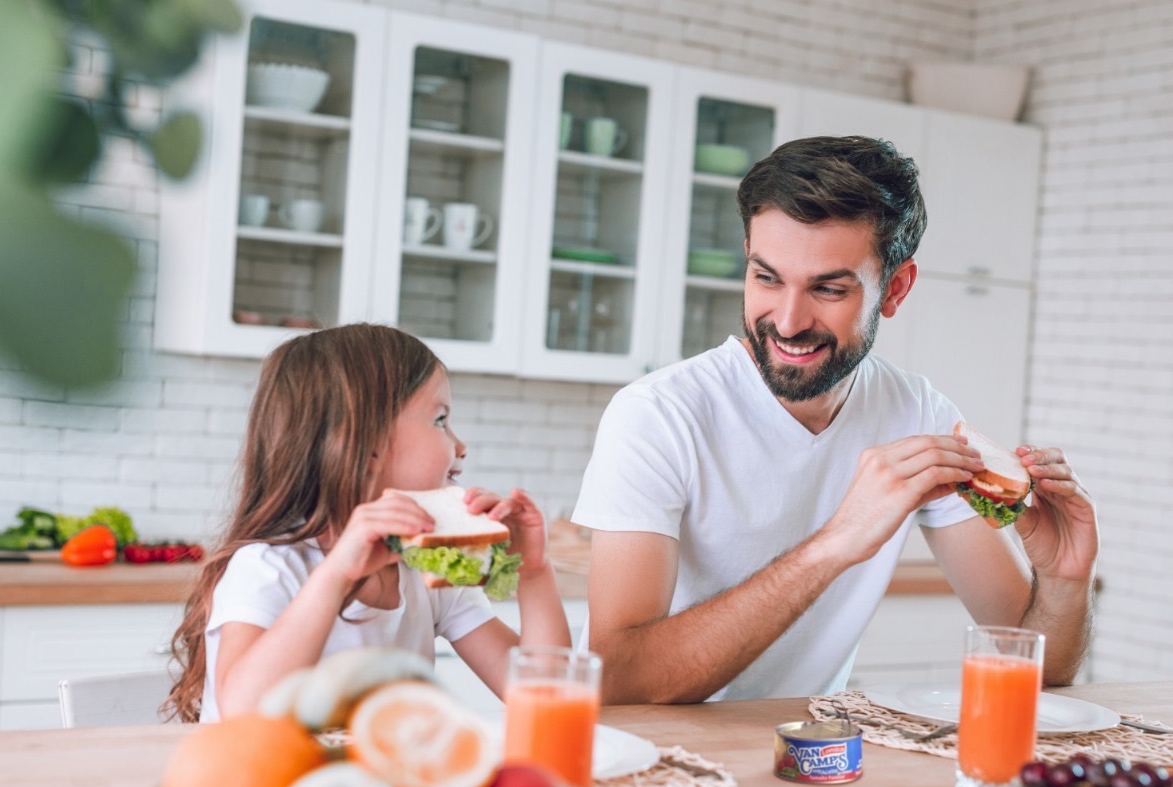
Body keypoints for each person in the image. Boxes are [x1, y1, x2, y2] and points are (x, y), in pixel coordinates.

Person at [572, 135, 1098, 705]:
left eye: (828, 288)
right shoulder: (659, 415)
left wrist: (1065, 579)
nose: (789, 321)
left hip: (806, 755)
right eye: (766, 278)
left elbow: (1038, 673)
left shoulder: (919, 415)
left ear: (894, 289)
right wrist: (837, 542)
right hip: (651, 769)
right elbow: (619, 681)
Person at [165, 324, 570, 722]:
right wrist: (337, 574)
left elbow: (547, 697)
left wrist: (534, 573)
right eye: (440, 420)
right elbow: (246, 715)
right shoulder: (269, 567)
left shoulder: (426, 569)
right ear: (362, 439)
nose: (460, 446)